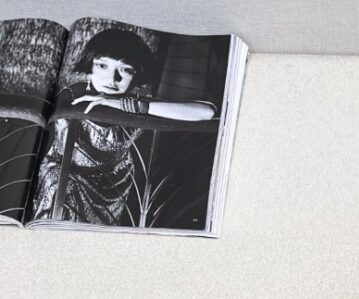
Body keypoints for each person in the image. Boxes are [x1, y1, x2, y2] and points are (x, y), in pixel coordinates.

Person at [31, 27, 218, 225]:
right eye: (102, 66)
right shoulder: (73, 95)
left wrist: (121, 104)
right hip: (64, 176)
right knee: (57, 187)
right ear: (90, 66)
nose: (112, 78)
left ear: (137, 74)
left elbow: (206, 112)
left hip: (114, 186)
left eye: (125, 69)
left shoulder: (133, 103)